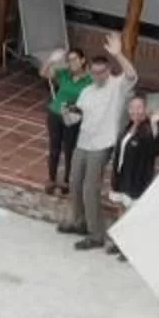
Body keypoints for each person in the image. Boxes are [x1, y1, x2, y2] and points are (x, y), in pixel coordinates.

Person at [67, 38, 134, 249]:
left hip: (103, 143)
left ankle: (96, 235)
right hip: (83, 142)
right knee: (74, 182)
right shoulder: (87, 91)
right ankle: (79, 222)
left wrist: (118, 54)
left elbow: (132, 75)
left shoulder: (117, 86)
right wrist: (67, 114)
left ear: (108, 70)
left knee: (90, 188)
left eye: (101, 72)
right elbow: (75, 119)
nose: (98, 76)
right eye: (94, 73)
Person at [43, 49, 88, 197]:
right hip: (56, 113)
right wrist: (51, 61)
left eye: (75, 59)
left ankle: (67, 180)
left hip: (72, 116)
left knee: (70, 149)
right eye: (69, 60)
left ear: (82, 60)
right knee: (54, 147)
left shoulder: (89, 80)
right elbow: (44, 73)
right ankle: (51, 178)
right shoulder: (64, 74)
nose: (71, 63)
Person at [112, 94, 159, 207]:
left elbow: (157, 148)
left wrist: (154, 124)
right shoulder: (129, 126)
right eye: (132, 107)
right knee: (121, 208)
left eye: (139, 107)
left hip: (136, 183)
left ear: (145, 110)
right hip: (122, 179)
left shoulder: (147, 129)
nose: (135, 111)